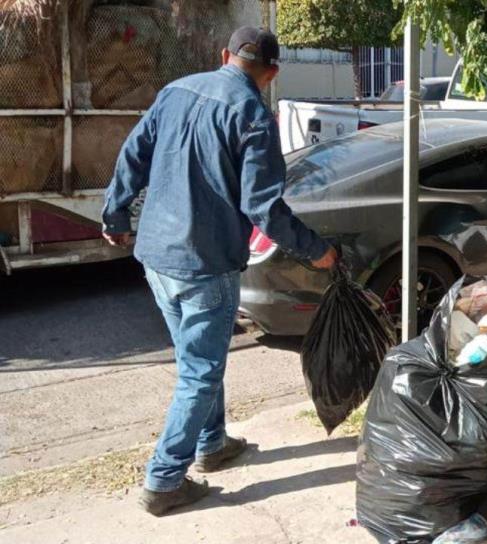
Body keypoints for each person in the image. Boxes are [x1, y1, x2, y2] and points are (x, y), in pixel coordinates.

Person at [101, 26, 337, 516]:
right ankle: (165, 479)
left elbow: (134, 154)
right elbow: (264, 208)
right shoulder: (253, 113)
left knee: (198, 359)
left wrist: (115, 214)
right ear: (272, 73)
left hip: (156, 257)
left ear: (225, 55)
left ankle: (212, 444)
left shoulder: (175, 90)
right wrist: (315, 251)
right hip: (205, 263)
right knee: (200, 372)